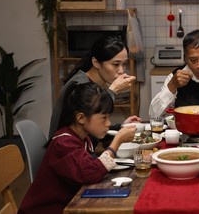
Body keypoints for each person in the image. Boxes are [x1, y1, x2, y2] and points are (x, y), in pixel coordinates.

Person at [18, 82, 137, 214]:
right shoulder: (63, 143)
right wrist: (117, 142)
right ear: (81, 118)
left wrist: (120, 129)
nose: (108, 123)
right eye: (104, 118)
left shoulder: (81, 136)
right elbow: (91, 173)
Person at [49, 36, 140, 143]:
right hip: (67, 153)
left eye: (124, 64)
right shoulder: (79, 86)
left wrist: (121, 127)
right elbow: (90, 137)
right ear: (96, 63)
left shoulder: (92, 82)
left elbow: (93, 129)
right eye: (115, 64)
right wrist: (113, 91)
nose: (121, 70)